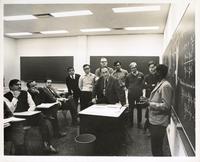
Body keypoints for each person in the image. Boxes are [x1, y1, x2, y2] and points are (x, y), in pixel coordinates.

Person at [4, 79, 57, 154]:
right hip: (16, 119)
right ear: (11, 86)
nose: (19, 86)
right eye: (17, 85)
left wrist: (28, 112)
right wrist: (15, 98)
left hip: (27, 116)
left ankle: (47, 144)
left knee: (41, 118)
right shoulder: (5, 96)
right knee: (41, 118)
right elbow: (10, 110)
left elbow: (32, 105)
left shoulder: (25, 93)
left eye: (20, 85)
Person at [146, 64, 173, 156]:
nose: (154, 74)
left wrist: (150, 104)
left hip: (159, 122)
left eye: (156, 72)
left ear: (161, 73)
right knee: (155, 147)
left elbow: (166, 106)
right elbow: (157, 99)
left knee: (157, 149)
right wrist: (147, 100)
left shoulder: (166, 86)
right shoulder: (160, 83)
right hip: (155, 120)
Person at [125, 62, 144, 128]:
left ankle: (139, 123)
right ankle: (131, 123)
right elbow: (126, 84)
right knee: (131, 109)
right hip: (131, 95)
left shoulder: (141, 74)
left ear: (136, 67)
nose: (133, 69)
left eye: (134, 67)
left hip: (139, 95)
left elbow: (143, 83)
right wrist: (131, 89)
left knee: (139, 108)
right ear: (130, 68)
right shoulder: (128, 75)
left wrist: (139, 89)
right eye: (132, 68)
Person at [143, 61, 158, 135]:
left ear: (156, 67)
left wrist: (150, 86)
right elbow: (144, 86)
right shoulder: (146, 77)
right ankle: (147, 128)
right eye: (150, 67)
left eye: (153, 67)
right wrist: (152, 86)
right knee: (149, 113)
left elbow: (157, 86)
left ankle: (147, 128)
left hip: (157, 97)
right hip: (149, 97)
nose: (152, 69)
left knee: (153, 113)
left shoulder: (158, 76)